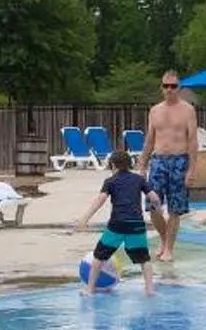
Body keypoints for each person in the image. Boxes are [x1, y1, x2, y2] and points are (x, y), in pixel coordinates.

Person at [76, 149, 157, 296]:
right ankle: (150, 290)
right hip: (136, 224)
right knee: (144, 259)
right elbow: (154, 197)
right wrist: (157, 208)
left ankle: (90, 289)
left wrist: (85, 218)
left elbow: (100, 201)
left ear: (113, 165)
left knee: (99, 256)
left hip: (117, 225)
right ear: (129, 164)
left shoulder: (110, 181)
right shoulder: (139, 179)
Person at [143, 71, 199, 262]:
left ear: (179, 88)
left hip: (179, 161)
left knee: (175, 209)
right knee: (153, 206)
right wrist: (142, 164)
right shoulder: (155, 110)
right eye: (165, 86)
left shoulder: (187, 110)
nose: (169, 89)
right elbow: (149, 140)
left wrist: (191, 169)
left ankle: (169, 249)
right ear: (161, 87)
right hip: (158, 161)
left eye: (173, 86)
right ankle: (164, 239)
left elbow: (193, 141)